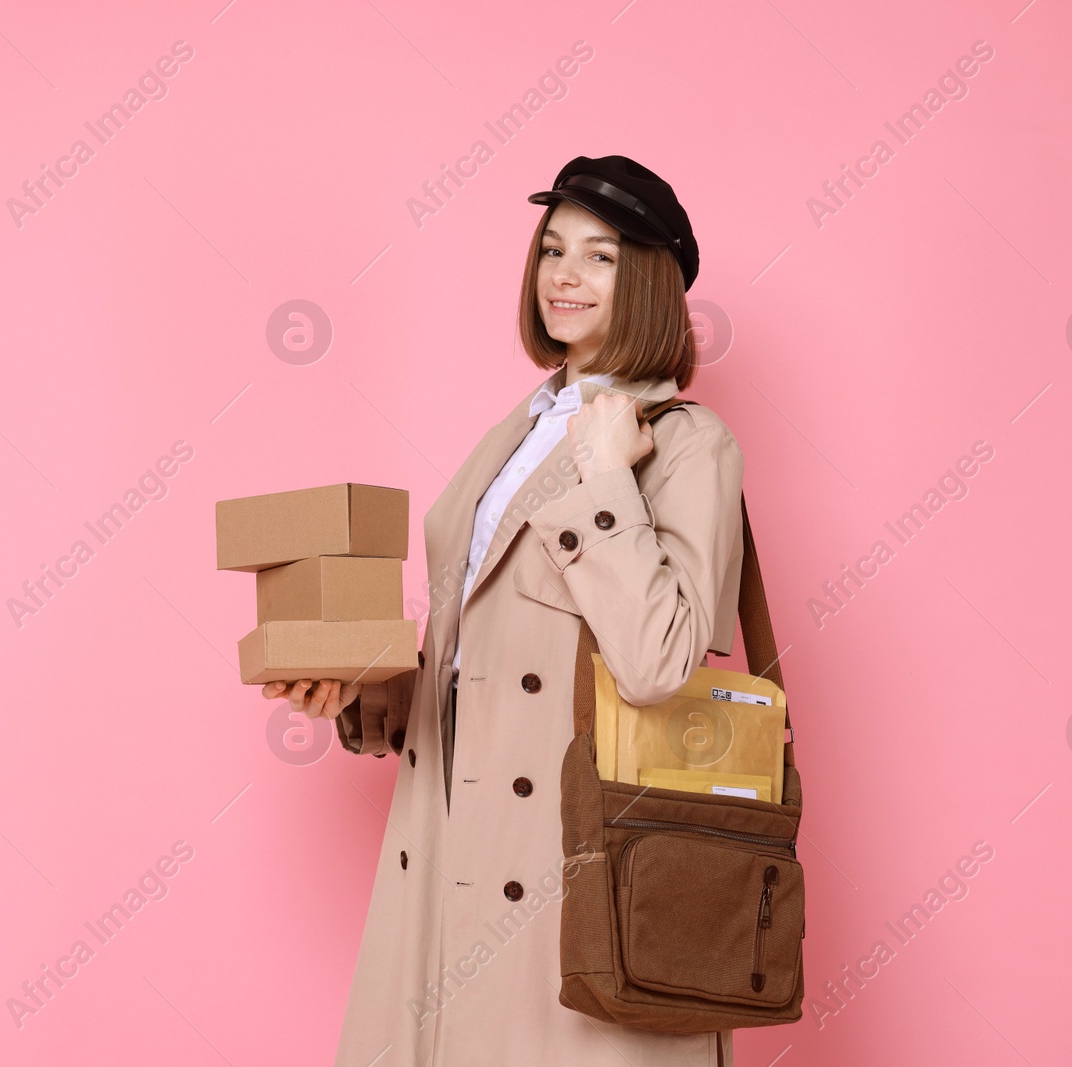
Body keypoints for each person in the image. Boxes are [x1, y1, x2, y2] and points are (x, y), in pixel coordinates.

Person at [264, 155, 747, 1066]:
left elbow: (658, 663)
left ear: (646, 280)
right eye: (552, 249)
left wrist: (609, 477)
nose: (563, 276)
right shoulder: (515, 434)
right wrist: (364, 692)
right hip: (448, 857)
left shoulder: (688, 445)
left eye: (599, 257)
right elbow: (482, 657)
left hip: (569, 874)